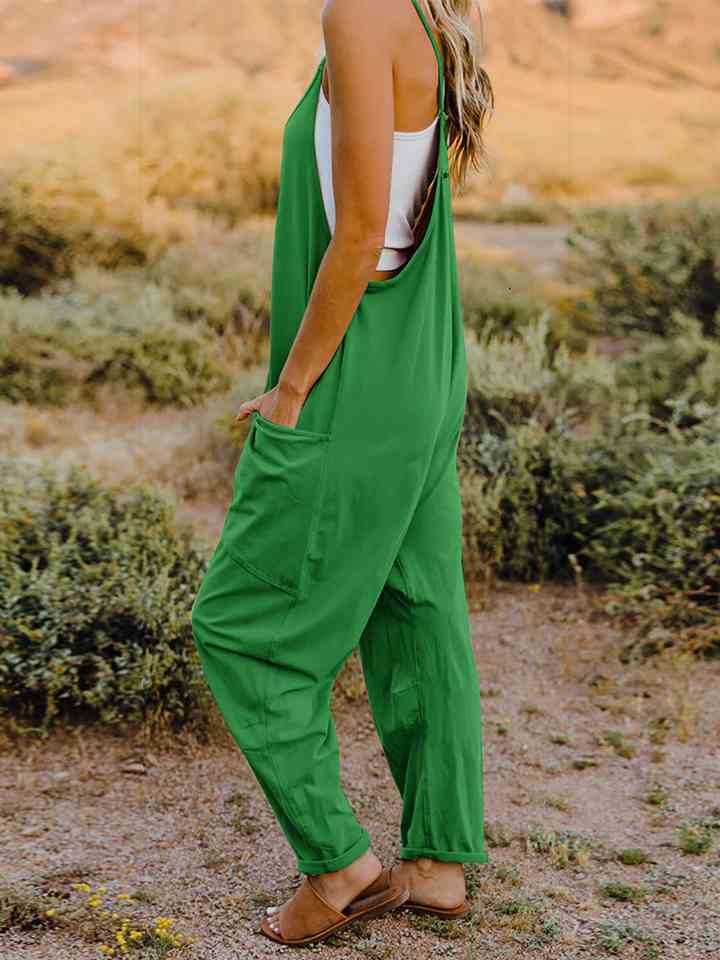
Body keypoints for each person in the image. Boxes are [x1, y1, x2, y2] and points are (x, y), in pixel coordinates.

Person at [191, 0, 495, 947]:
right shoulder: (420, 15)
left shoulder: (361, 11)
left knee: (240, 628)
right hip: (420, 364)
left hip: (358, 377)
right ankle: (438, 865)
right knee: (419, 611)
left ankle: (339, 867)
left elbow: (363, 230)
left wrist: (292, 387)